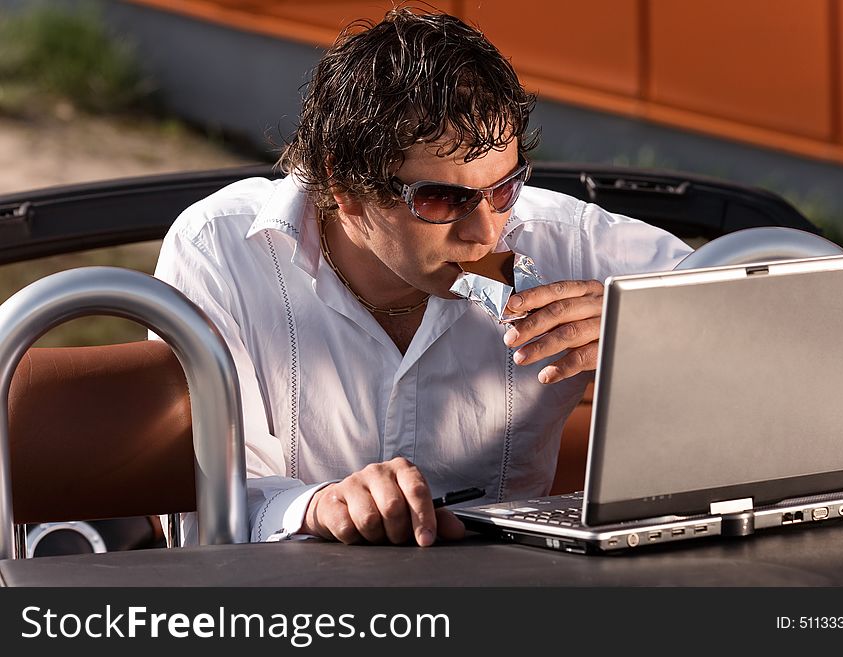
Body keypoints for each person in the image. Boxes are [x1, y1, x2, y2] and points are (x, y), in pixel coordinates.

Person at [153, 7, 692, 547]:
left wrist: (657, 325)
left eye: (503, 189)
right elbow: (198, 507)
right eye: (442, 198)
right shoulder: (219, 248)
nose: (485, 232)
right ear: (345, 185)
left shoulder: (564, 241)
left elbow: (766, 307)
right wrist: (314, 507)